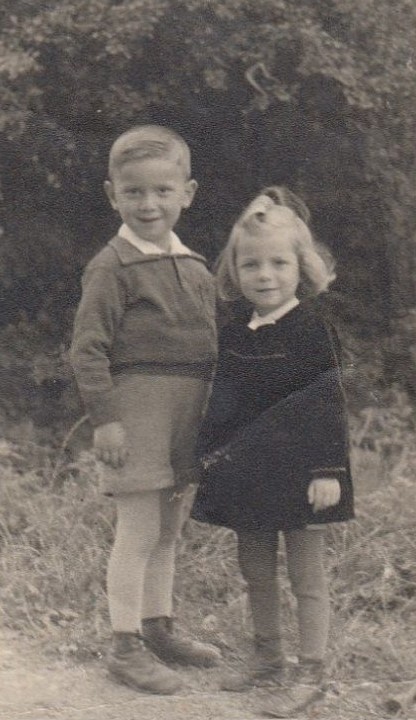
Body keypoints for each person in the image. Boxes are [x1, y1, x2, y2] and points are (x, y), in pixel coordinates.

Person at [71, 124, 221, 695]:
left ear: (188, 193)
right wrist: (106, 418)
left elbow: (211, 346)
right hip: (137, 417)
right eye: (134, 192)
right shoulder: (111, 266)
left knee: (168, 531)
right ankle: (124, 646)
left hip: (187, 419)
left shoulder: (197, 266)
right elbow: (88, 350)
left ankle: (159, 628)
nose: (149, 204)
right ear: (113, 195)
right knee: (137, 531)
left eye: (163, 190)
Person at [192, 186, 354, 694]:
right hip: (250, 476)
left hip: (305, 476)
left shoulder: (312, 330)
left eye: (279, 263)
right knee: (256, 571)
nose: (266, 275)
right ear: (235, 271)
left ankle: (312, 668)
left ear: (301, 267)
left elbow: (327, 404)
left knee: (306, 577)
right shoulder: (235, 333)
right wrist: (206, 459)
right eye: (252, 265)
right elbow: (225, 405)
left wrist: (328, 471)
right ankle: (267, 660)